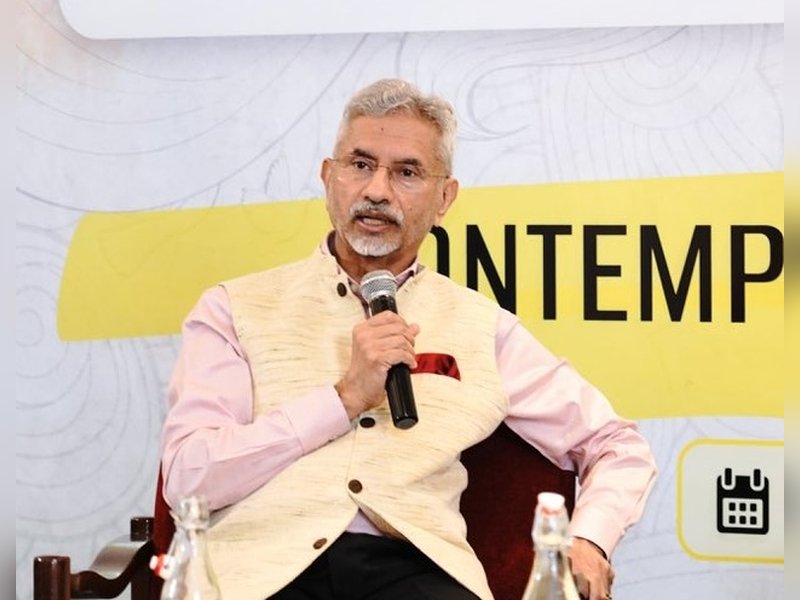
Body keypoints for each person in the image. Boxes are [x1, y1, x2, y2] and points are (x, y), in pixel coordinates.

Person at [160, 78, 657, 600]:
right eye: (360, 164)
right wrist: (343, 399)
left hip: (419, 574)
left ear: (444, 199)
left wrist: (589, 541)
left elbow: (617, 445)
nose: (377, 190)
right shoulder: (233, 309)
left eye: (407, 172)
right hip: (259, 576)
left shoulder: (483, 327)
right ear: (329, 179)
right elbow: (190, 479)